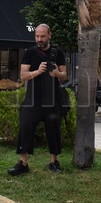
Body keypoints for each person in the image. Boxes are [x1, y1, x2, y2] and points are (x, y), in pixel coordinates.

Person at [9, 23, 67, 175]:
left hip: (52, 99)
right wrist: (38, 71)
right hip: (33, 99)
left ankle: (54, 162)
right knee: (25, 125)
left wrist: (56, 73)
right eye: (37, 36)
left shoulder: (58, 52)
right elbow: (23, 76)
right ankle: (23, 163)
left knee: (54, 130)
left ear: (49, 35)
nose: (39, 39)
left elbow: (64, 76)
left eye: (42, 36)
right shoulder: (30, 52)